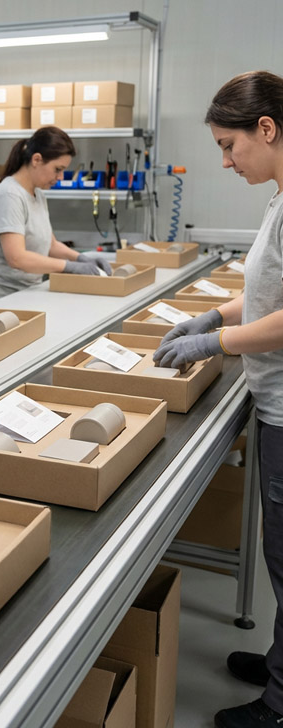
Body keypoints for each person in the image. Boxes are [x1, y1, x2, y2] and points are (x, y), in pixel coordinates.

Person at [151, 71, 283, 728]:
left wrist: (220, 342)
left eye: (230, 146)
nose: (226, 162)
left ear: (268, 129)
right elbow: (268, 291)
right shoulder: (279, 197)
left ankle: (281, 705)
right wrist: (212, 314)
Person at [0, 126, 112, 305]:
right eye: (57, 169)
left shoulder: (38, 194)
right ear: (37, 159)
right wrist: (69, 267)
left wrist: (82, 258)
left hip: (22, 297)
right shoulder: (9, 195)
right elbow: (17, 257)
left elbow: (51, 245)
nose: (60, 176)